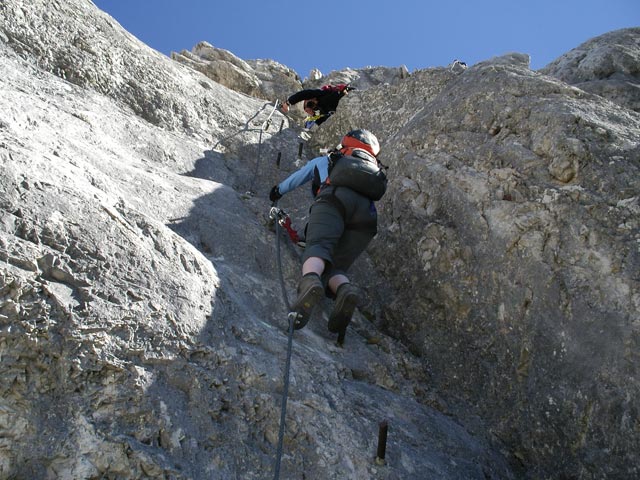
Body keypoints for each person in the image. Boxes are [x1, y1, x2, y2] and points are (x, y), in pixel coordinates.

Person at [269, 129, 386, 340]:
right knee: (336, 266)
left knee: (318, 248)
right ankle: (344, 291)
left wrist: (277, 191)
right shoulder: (372, 170)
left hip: (333, 200)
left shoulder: (331, 159)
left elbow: (298, 177)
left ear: (345, 144)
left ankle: (310, 282)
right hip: (367, 216)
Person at [280, 85, 352, 128]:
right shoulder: (319, 114)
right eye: (308, 110)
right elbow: (316, 123)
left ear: (312, 98)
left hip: (347, 96)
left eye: (309, 104)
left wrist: (288, 103)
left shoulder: (321, 94)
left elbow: (303, 94)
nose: (311, 108)